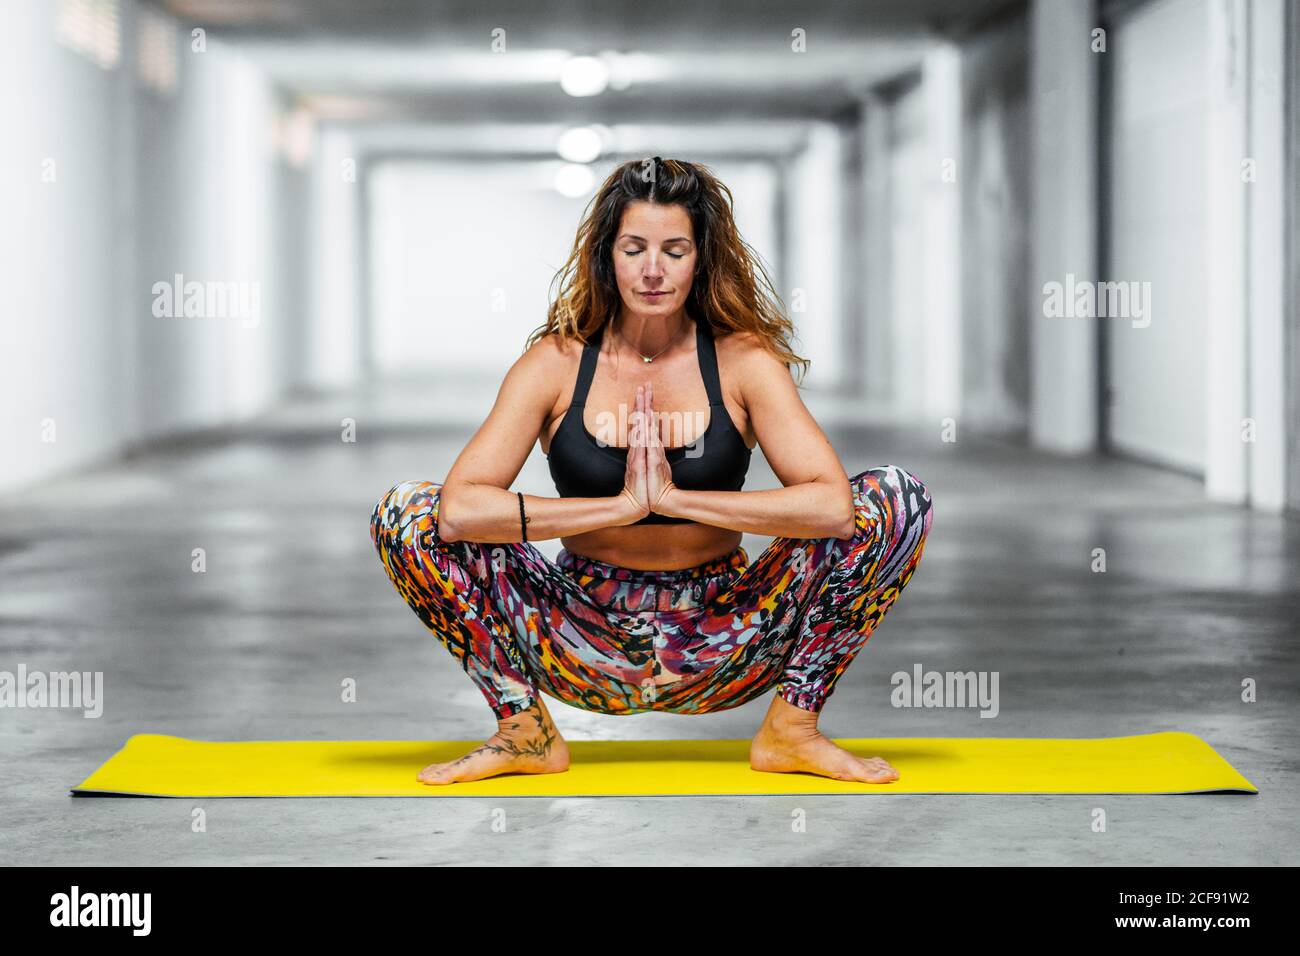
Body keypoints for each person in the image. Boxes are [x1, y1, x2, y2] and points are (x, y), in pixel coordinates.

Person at [370, 157, 934, 786]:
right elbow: (458, 511)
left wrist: (676, 498)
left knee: (896, 497)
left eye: (674, 249)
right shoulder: (554, 363)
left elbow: (833, 508)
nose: (653, 270)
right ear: (606, 255)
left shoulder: (744, 362)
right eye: (634, 248)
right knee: (407, 512)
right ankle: (523, 732)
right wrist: (619, 507)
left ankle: (791, 731)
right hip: (581, 638)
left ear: (702, 259)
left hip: (727, 636)